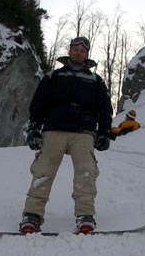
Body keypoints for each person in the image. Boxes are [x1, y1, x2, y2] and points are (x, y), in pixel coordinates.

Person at [20, 36, 113, 234]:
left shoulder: (96, 81)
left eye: (82, 50)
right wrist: (33, 128)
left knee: (87, 171)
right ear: (70, 51)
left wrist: (104, 132)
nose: (78, 52)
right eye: (75, 49)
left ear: (87, 54)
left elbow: (105, 109)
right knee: (43, 171)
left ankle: (85, 216)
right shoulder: (54, 76)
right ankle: (32, 216)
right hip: (54, 129)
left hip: (84, 132)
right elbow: (38, 104)